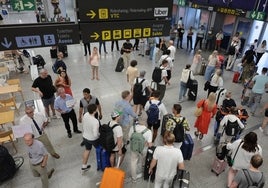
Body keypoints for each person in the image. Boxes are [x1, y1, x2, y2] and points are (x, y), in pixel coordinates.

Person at [81, 104, 100, 174]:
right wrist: (99, 135)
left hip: (85, 136)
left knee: (87, 150)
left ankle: (84, 166)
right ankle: (100, 164)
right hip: (93, 139)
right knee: (99, 150)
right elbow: (95, 134)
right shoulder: (95, 121)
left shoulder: (85, 114)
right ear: (95, 111)